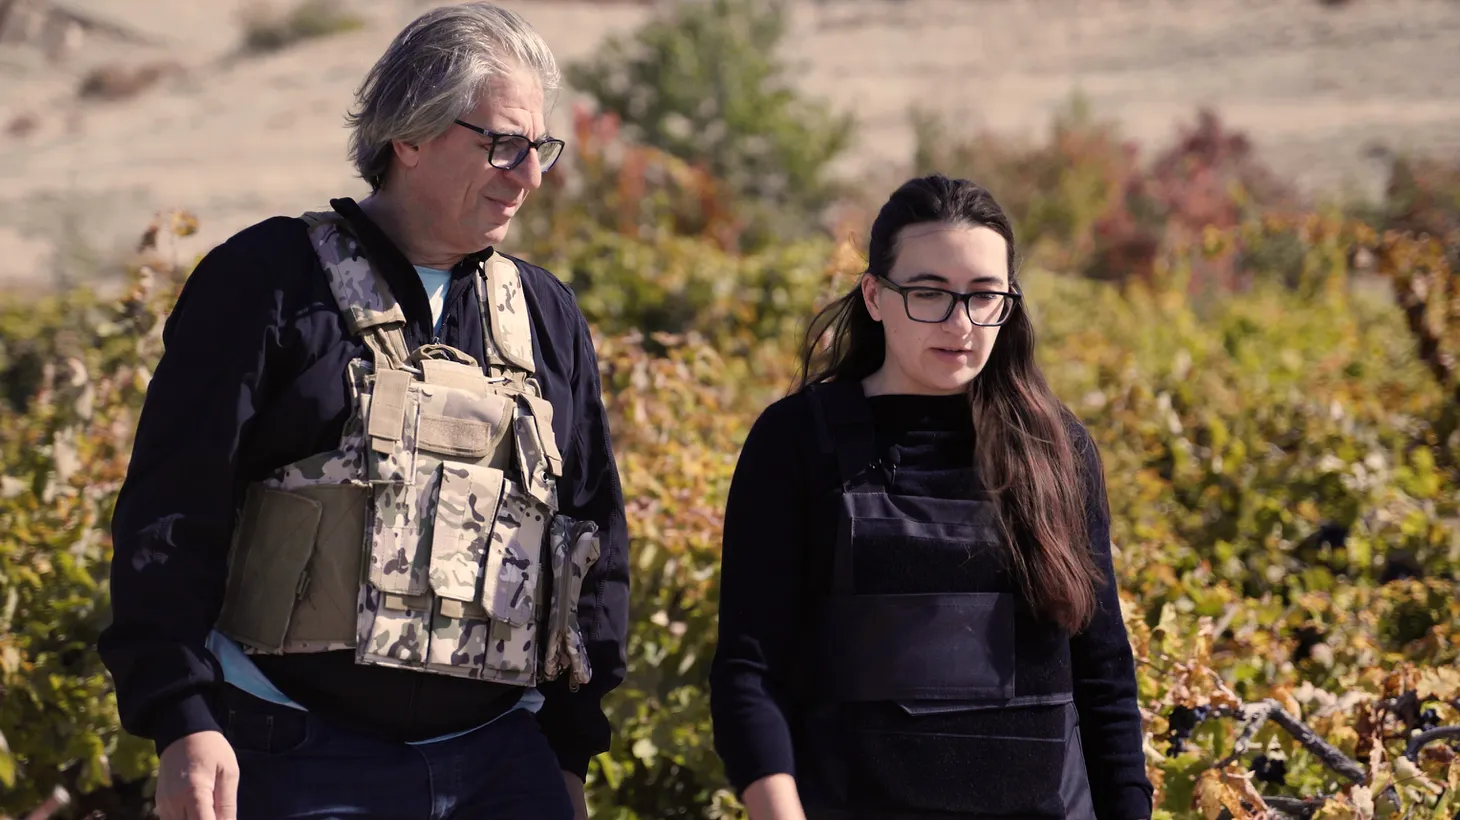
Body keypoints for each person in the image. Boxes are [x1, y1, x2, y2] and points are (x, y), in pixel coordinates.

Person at [96, 4, 630, 819]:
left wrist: (566, 747)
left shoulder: (546, 314)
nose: (529, 174)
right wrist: (181, 715)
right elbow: (173, 513)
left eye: (539, 149)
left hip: (501, 763)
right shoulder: (267, 283)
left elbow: (594, 536)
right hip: (293, 753)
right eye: (503, 145)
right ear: (408, 137)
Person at [708, 174, 1154, 820]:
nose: (960, 323)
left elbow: (1104, 676)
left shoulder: (1058, 449)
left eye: (983, 297)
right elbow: (750, 668)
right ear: (875, 296)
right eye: (929, 294)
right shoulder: (798, 440)